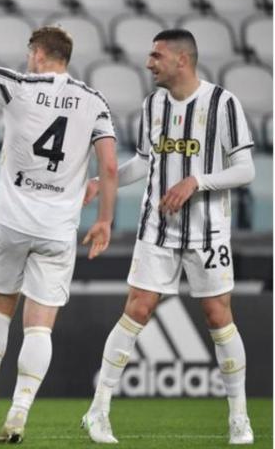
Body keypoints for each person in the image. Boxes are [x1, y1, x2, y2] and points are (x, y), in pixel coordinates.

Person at [0, 26, 118, 443]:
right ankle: (19, 412)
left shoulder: (18, 85)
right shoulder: (95, 102)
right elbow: (109, 167)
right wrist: (105, 220)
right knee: (40, 328)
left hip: (12, 223)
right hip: (58, 230)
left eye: (29, 55)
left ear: (38, 54)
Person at [80, 29, 256, 445]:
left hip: (208, 232)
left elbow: (246, 169)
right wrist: (102, 184)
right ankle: (98, 410)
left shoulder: (223, 104)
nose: (148, 63)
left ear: (182, 59)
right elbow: (145, 162)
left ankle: (239, 417)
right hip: (157, 229)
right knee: (137, 309)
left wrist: (197, 180)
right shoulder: (153, 104)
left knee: (218, 317)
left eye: (156, 56)